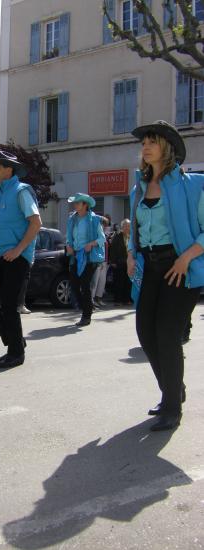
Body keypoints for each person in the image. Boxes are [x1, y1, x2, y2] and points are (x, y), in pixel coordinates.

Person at [128, 120, 204, 431]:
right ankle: (174, 390)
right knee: (145, 332)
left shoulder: (192, 185)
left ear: (167, 148)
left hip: (179, 268)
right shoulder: (140, 186)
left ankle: (172, 406)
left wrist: (186, 257)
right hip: (150, 267)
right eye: (144, 142)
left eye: (152, 142)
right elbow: (137, 227)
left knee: (167, 335)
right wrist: (132, 253)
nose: (145, 147)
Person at [0, 151, 41, 368]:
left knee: (8, 302)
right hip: (0, 256)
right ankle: (15, 341)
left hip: (18, 256)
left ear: (10, 170)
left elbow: (36, 223)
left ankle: (16, 353)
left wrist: (18, 250)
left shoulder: (21, 191)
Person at [66, 193, 106, 327]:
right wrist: (69, 245)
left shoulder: (94, 220)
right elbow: (68, 236)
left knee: (85, 285)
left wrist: (91, 244)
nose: (75, 205)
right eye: (75, 203)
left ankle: (86, 315)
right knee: (75, 286)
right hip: (76, 256)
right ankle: (86, 308)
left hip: (89, 258)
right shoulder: (72, 219)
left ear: (85, 205)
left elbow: (102, 239)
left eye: (78, 203)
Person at [109, 219, 132, 305]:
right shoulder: (117, 236)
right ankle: (118, 300)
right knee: (119, 281)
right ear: (122, 227)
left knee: (128, 281)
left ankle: (127, 299)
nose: (127, 228)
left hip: (129, 262)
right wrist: (113, 261)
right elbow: (113, 249)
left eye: (128, 226)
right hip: (119, 262)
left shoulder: (131, 236)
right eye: (125, 226)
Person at [91, 216, 110, 307]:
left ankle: (98, 298)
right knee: (95, 281)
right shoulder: (96, 235)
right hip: (97, 260)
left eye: (106, 225)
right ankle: (92, 300)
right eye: (104, 224)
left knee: (102, 281)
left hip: (104, 261)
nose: (105, 226)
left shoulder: (104, 235)